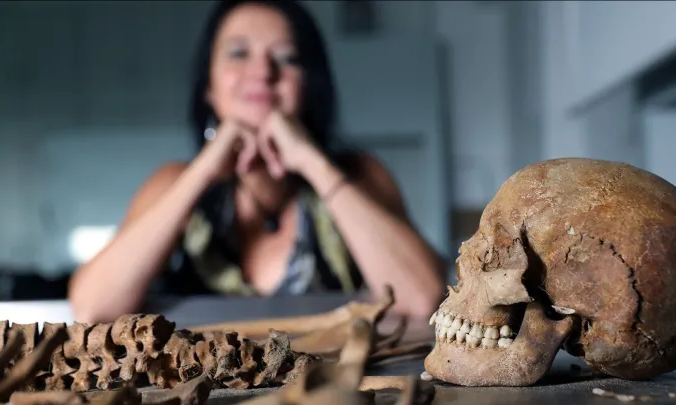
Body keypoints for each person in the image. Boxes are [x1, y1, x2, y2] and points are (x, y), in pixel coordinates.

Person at [68, 0, 445, 323]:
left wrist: (313, 162)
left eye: (286, 58)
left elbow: (422, 300)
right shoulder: (173, 182)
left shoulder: (359, 173)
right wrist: (205, 168)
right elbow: (92, 306)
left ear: (309, 84)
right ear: (209, 87)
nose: (263, 72)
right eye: (238, 53)